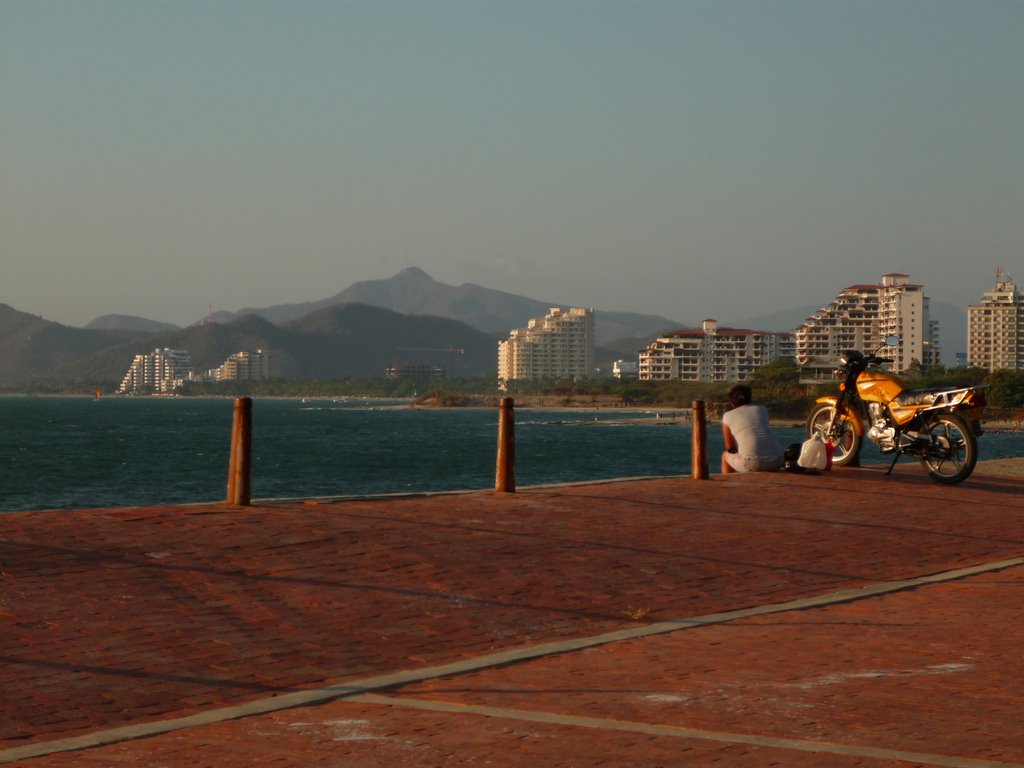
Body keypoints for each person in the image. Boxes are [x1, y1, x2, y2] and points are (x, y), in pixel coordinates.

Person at [721, 384, 783, 474]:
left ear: (732, 403)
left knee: (725, 456)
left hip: (753, 464)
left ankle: (727, 483)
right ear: (750, 399)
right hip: (777, 461)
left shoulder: (727, 416)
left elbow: (730, 448)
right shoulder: (762, 410)